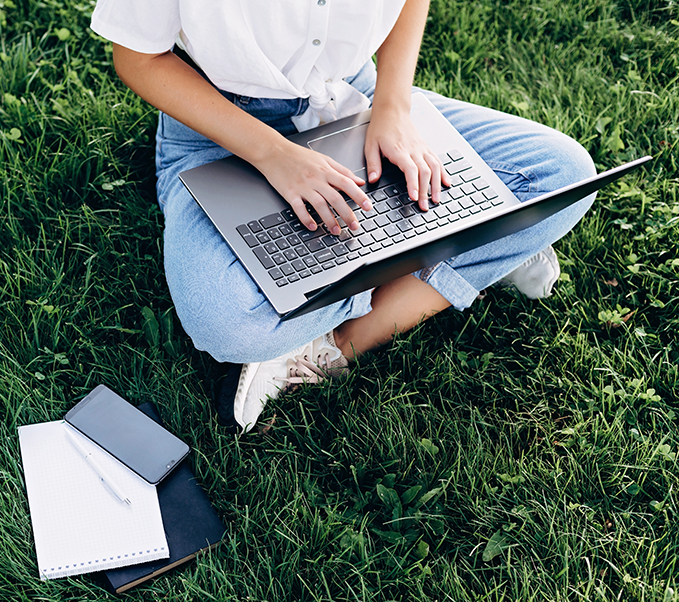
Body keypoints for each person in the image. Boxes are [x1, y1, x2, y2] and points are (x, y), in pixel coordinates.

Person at [91, 0, 597, 433]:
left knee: (565, 175)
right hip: (219, 127)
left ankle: (332, 344)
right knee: (225, 321)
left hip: (353, 99)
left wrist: (394, 108)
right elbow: (138, 56)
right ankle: (467, 243)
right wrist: (273, 155)